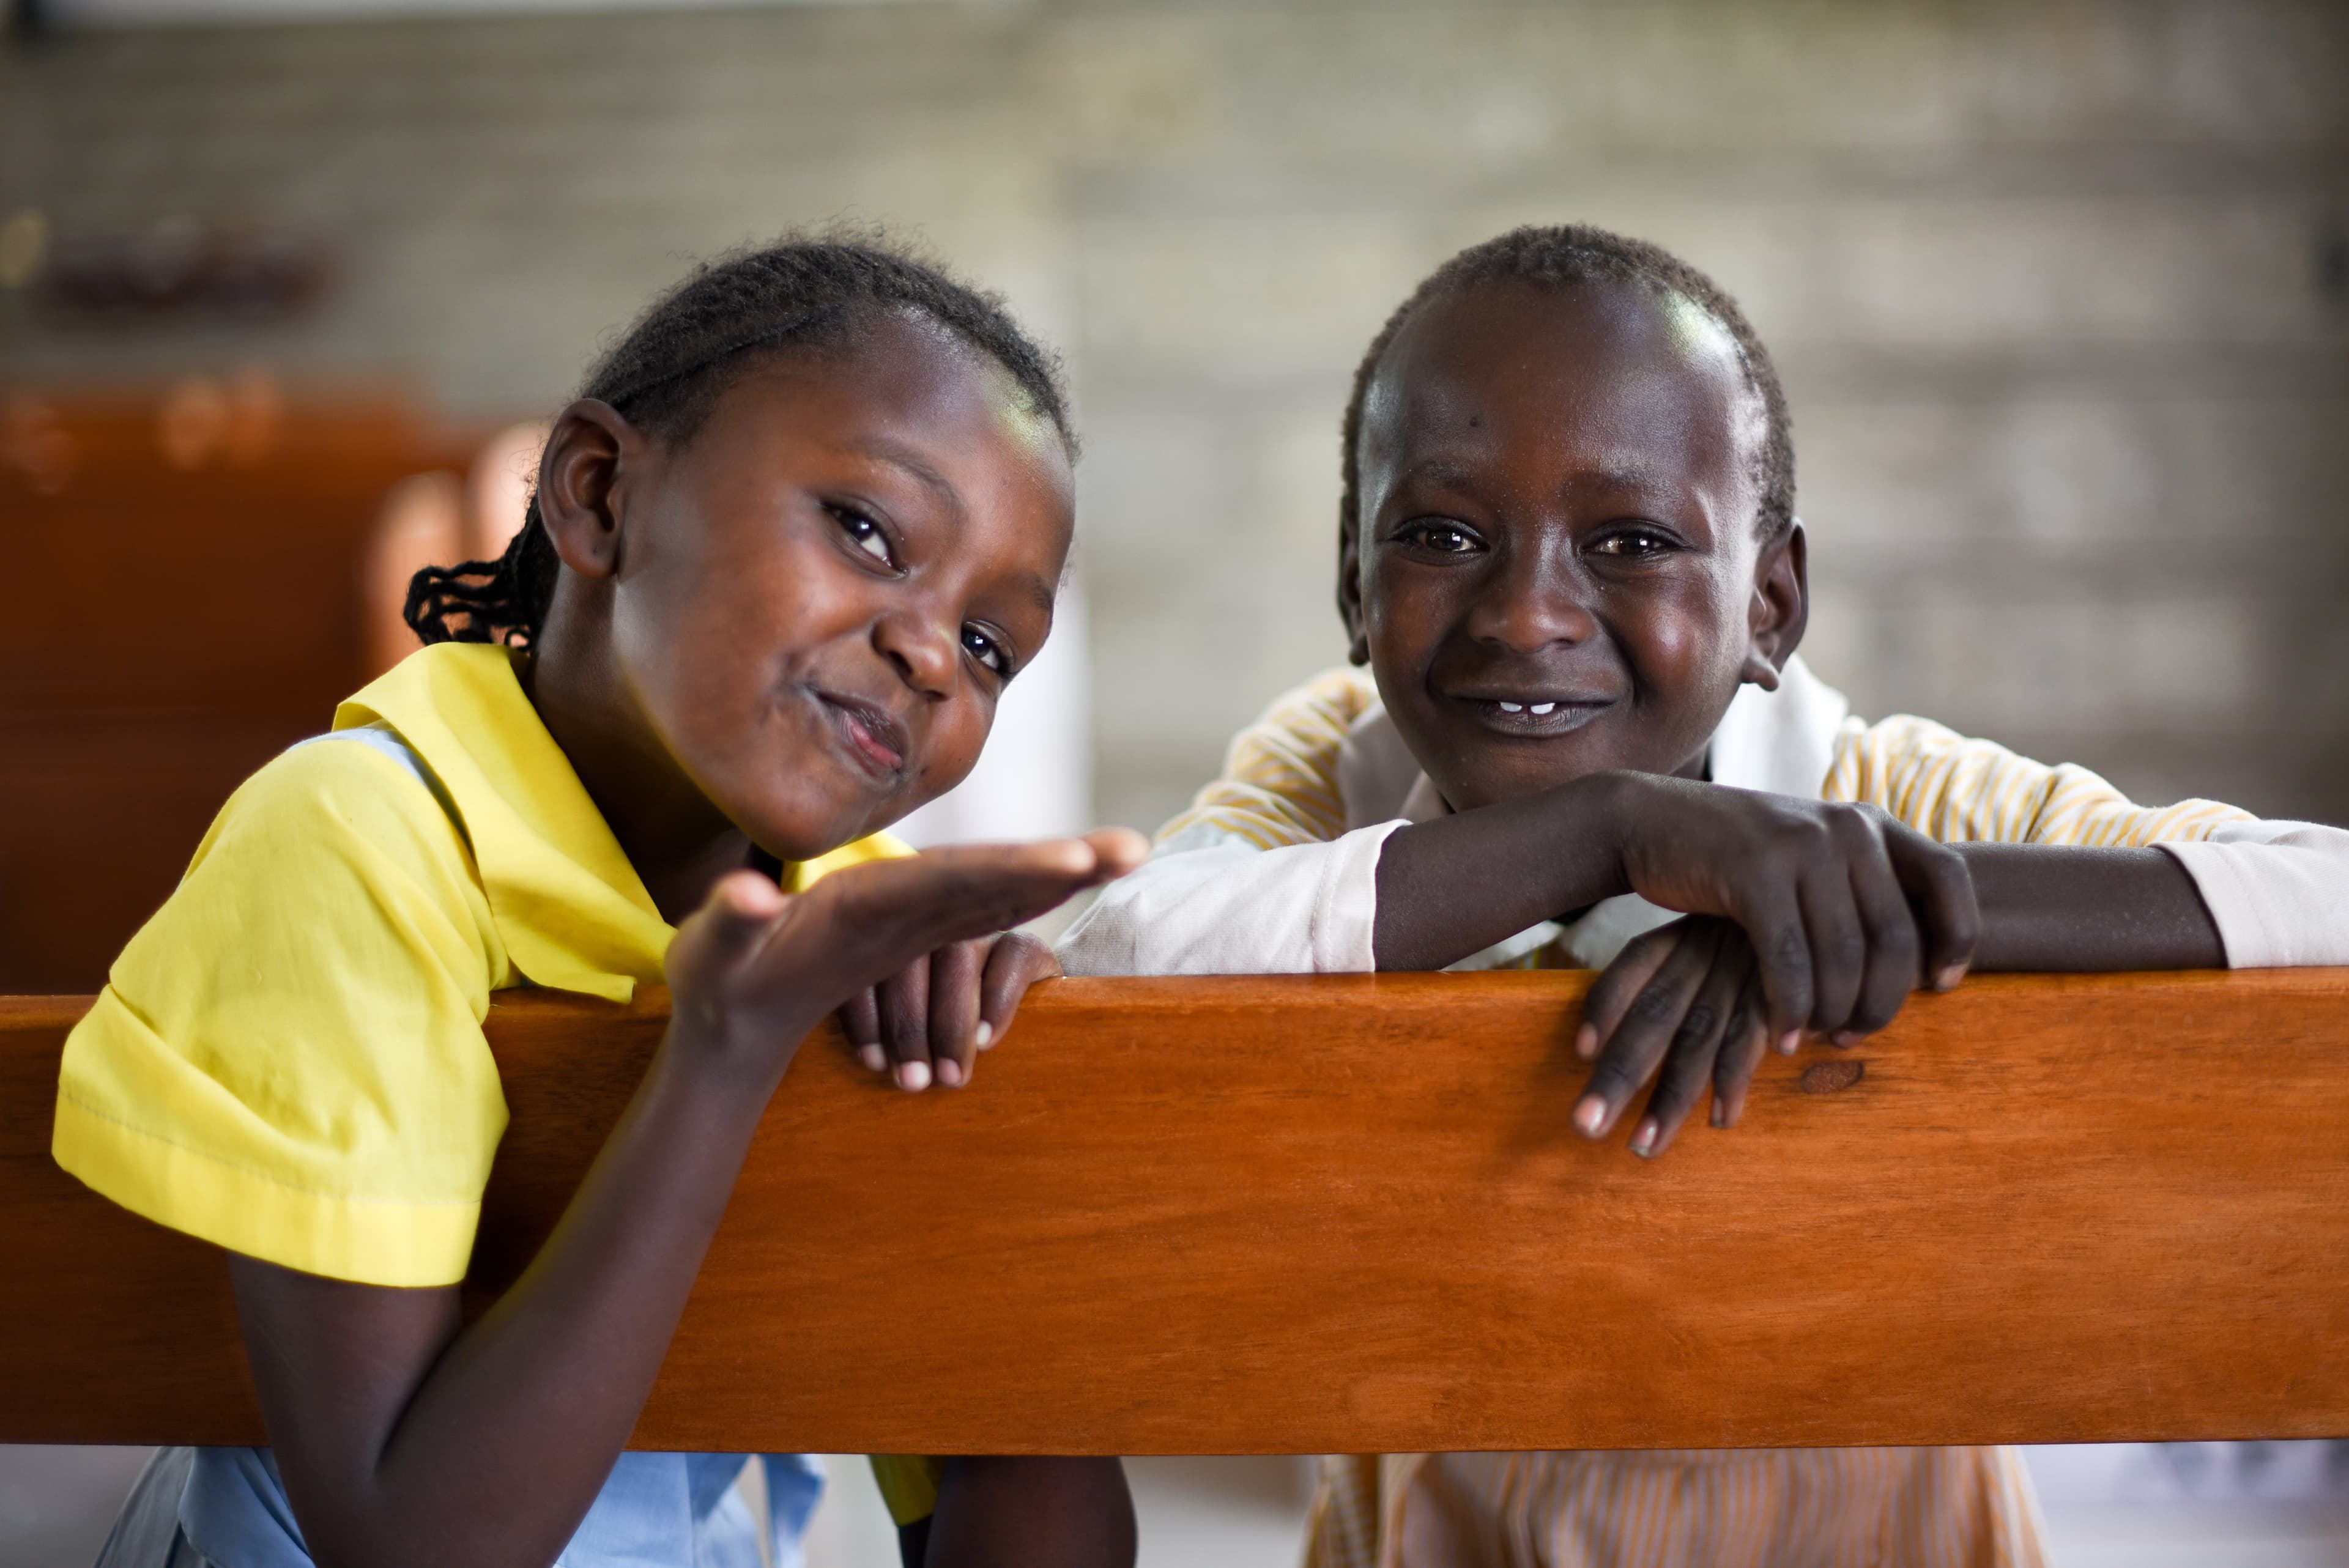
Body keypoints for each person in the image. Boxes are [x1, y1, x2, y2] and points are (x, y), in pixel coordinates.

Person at [1057, 223, 2349, 1568]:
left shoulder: (1887, 788)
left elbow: (2329, 890)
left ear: (1772, 602)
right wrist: (1613, 832)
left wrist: (1848, 906)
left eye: (1630, 540)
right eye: (1444, 534)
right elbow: (1120, 939)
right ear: (1352, 580)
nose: (1526, 616)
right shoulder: (1339, 765)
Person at [58, 237, 1145, 1568]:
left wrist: (1023, 1164)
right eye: (867, 531)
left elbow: (1017, 1496)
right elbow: (411, 1548)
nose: (930, 651)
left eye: (992, 646)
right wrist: (725, 1051)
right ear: (597, 494)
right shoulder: (362, 835)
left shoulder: (864, 924)